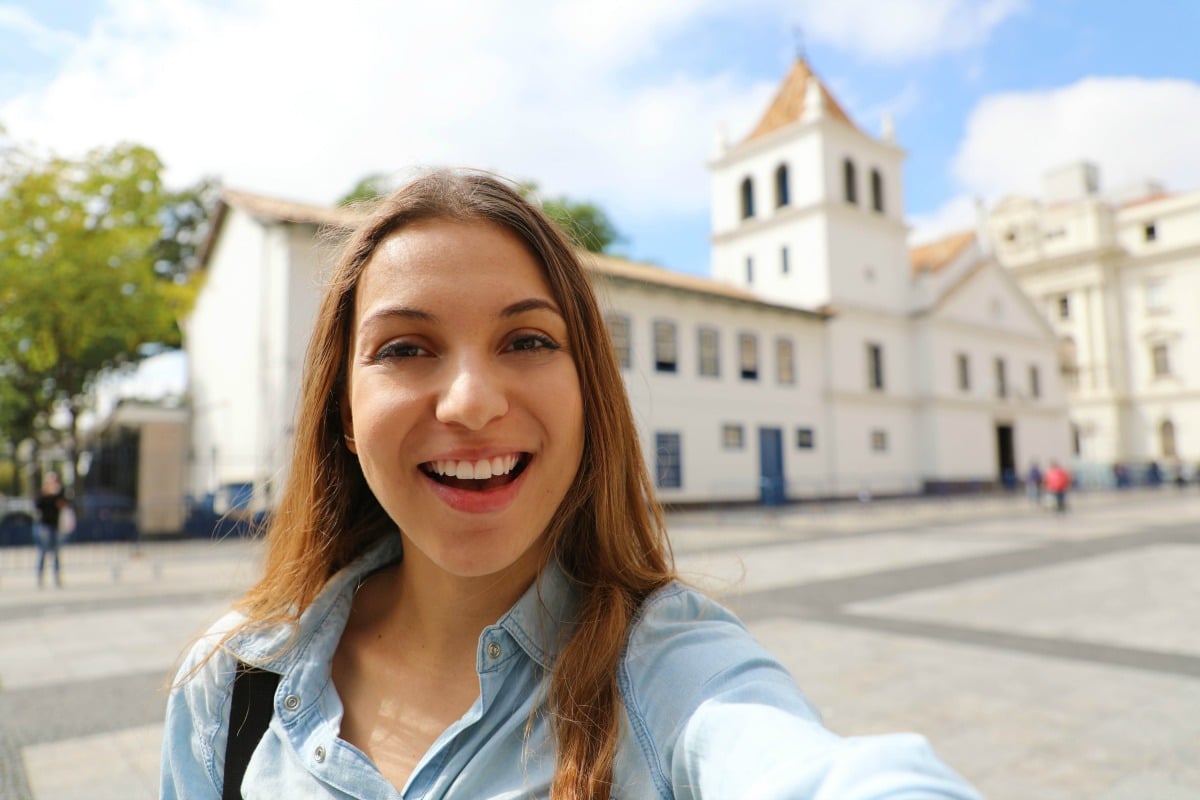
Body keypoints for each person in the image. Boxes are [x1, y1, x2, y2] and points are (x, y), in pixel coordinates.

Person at [161, 171, 980, 799]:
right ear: (343, 411)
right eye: (406, 349)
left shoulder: (664, 673)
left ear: (590, 391)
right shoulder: (231, 682)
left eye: (526, 340)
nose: (473, 401)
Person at [34, 471, 66, 588]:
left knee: (56, 552)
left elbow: (63, 504)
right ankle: (40, 577)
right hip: (44, 526)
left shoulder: (59, 493)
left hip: (55, 525)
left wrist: (56, 494)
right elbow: (38, 504)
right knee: (43, 552)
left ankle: (56, 577)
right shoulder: (43, 494)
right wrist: (48, 493)